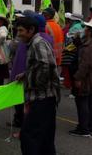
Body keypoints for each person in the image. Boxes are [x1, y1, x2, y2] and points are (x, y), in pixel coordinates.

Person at [15, 16, 59, 155]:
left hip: (42, 99)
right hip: (44, 99)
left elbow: (45, 66)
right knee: (45, 139)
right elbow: (39, 65)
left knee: (29, 137)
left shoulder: (38, 43)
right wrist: (26, 74)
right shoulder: (34, 42)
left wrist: (34, 83)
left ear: (31, 30)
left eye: (21, 30)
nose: (19, 34)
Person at [69, 18, 92, 137]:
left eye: (86, 28)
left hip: (87, 78)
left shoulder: (91, 45)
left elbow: (87, 64)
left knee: (82, 102)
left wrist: (78, 77)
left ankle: (83, 129)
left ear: (90, 31)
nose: (84, 29)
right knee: (90, 102)